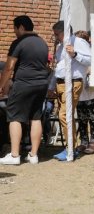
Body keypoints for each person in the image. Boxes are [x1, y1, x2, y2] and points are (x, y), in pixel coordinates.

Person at [0, 15, 49, 165]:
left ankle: (15, 156)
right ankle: (33, 155)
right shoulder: (42, 43)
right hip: (42, 83)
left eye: (15, 29)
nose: (14, 32)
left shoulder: (19, 43)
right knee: (35, 117)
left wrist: (1, 86)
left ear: (21, 27)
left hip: (24, 83)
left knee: (14, 117)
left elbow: (9, 67)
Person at [48, 21, 91, 161]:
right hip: (61, 83)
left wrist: (75, 54)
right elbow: (59, 67)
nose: (55, 38)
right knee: (66, 115)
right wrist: (52, 86)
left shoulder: (78, 42)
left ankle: (71, 148)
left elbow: (90, 60)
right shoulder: (61, 46)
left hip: (73, 82)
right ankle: (70, 146)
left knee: (65, 115)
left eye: (57, 34)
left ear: (65, 32)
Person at [74, 31, 94, 154]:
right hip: (79, 91)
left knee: (93, 117)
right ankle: (83, 141)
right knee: (81, 118)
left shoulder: (92, 52)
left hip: (92, 90)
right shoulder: (74, 53)